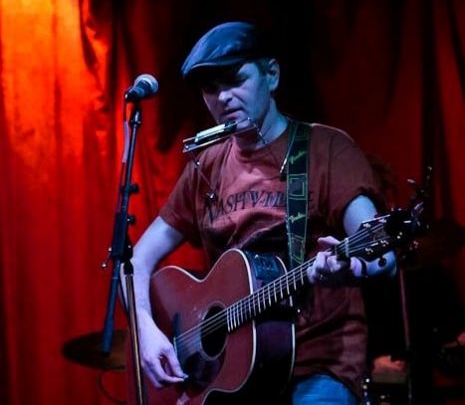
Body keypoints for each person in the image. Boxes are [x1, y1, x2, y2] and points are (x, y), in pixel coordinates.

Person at [129, 21, 396, 405]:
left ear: (271, 75)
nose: (223, 98)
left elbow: (381, 249)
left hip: (316, 365)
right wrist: (145, 330)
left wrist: (352, 267)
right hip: (231, 373)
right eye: (210, 89)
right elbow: (137, 261)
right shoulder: (206, 166)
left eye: (235, 81)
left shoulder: (327, 150)